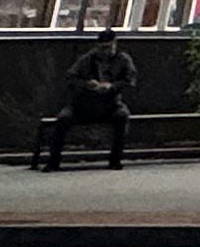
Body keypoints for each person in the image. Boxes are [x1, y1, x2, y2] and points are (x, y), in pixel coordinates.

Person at [42, 27, 139, 169]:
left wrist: (112, 86)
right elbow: (71, 78)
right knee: (63, 119)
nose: (106, 52)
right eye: (102, 48)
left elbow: (130, 81)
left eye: (109, 47)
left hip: (110, 104)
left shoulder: (123, 60)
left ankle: (115, 159)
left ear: (115, 45)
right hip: (82, 105)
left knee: (122, 116)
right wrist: (87, 85)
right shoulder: (87, 59)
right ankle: (53, 161)